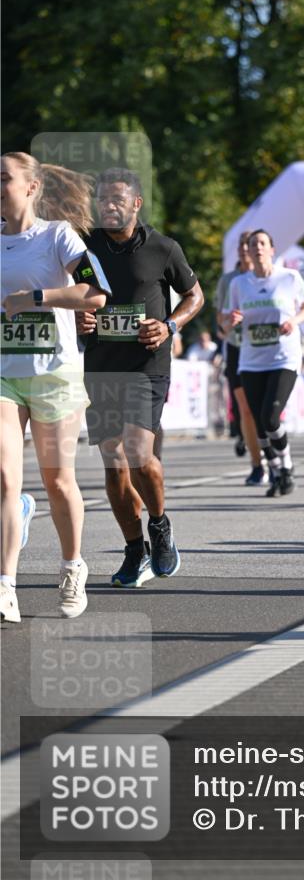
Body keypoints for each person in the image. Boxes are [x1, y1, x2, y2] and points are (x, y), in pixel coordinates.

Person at [76, 168, 204, 588]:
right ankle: (135, 550)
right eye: (103, 200)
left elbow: (195, 295)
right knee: (113, 467)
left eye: (118, 199)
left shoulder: (163, 249)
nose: (109, 206)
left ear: (136, 203)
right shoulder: (84, 248)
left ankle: (160, 525)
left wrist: (170, 324)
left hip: (146, 365)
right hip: (101, 365)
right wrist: (75, 317)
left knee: (138, 453)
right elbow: (66, 293)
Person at [1, 152, 111, 623]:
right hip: (4, 374)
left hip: (55, 374)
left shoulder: (57, 237)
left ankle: (72, 566)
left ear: (30, 187)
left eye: (4, 178)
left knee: (57, 480)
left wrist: (34, 299)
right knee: (5, 478)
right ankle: (6, 585)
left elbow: (95, 293)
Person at [221, 229, 304, 496]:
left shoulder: (289, 278)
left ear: (272, 249)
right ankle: (276, 471)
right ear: (247, 251)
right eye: (253, 244)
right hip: (251, 361)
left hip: (284, 357)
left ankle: (286, 465)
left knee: (270, 417)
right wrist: (232, 321)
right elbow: (226, 323)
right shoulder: (239, 284)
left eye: (262, 243)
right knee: (259, 423)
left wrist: (293, 321)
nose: (257, 248)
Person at [216, 233, 266, 483]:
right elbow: (220, 319)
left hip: (265, 350)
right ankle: (257, 465)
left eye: (249, 246)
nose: (245, 250)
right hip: (237, 348)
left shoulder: (272, 277)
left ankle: (271, 451)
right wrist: (227, 326)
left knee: (263, 410)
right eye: (241, 246)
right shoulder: (229, 281)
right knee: (245, 409)